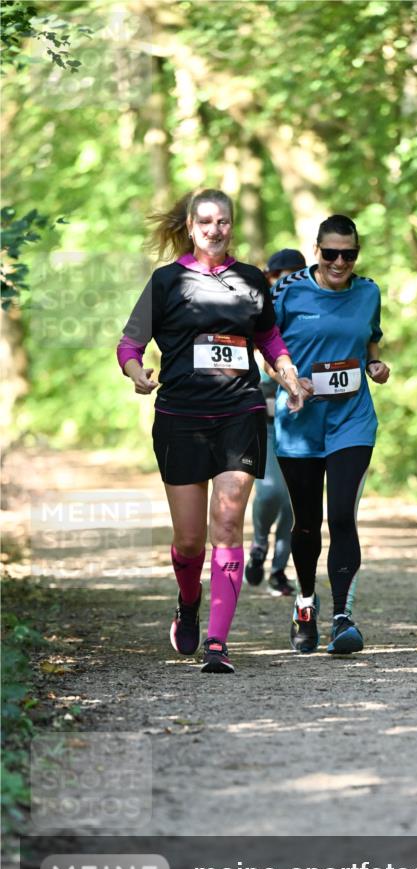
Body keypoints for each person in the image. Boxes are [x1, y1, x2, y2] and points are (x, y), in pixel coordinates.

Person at [117, 189, 306, 673]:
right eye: (206, 221)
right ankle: (188, 601)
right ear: (190, 224)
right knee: (189, 542)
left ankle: (218, 643)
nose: (215, 229)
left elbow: (267, 336)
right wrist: (136, 371)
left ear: (232, 225)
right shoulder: (166, 281)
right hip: (180, 417)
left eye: (223, 221)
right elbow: (130, 341)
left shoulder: (250, 280)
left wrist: (287, 374)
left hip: (239, 414)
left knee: (226, 523)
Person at [270, 214, 390, 654]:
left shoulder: (368, 291)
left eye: (350, 254)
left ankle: (343, 617)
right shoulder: (288, 290)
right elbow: (266, 345)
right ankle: (304, 605)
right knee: (306, 524)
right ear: (316, 250)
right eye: (332, 253)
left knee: (341, 515)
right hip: (300, 421)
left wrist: (375, 364)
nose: (341, 262)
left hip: (352, 421)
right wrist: (288, 380)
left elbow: (371, 338)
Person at [245, 249, 306, 597]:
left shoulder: (310, 312)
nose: (286, 279)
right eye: (278, 274)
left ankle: (279, 570)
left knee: (294, 504)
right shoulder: (256, 315)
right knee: (270, 490)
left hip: (300, 422)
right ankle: (257, 545)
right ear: (267, 278)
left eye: (295, 273)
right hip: (264, 423)